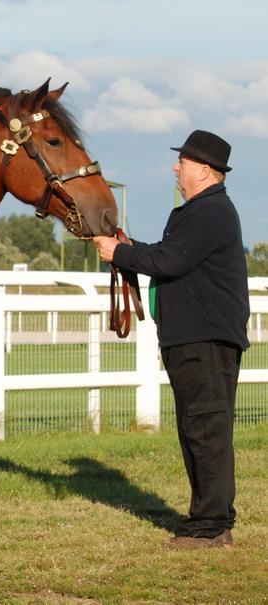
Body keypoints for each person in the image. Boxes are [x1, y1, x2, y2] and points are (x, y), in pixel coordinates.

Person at [93, 129, 249, 550]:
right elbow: (172, 254)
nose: (175, 168)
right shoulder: (202, 211)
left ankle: (212, 525)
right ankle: (208, 519)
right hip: (195, 337)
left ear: (203, 169)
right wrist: (130, 247)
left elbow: (171, 260)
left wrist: (119, 254)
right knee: (199, 428)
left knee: (205, 429)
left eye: (183, 162)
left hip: (204, 337)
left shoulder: (208, 212)